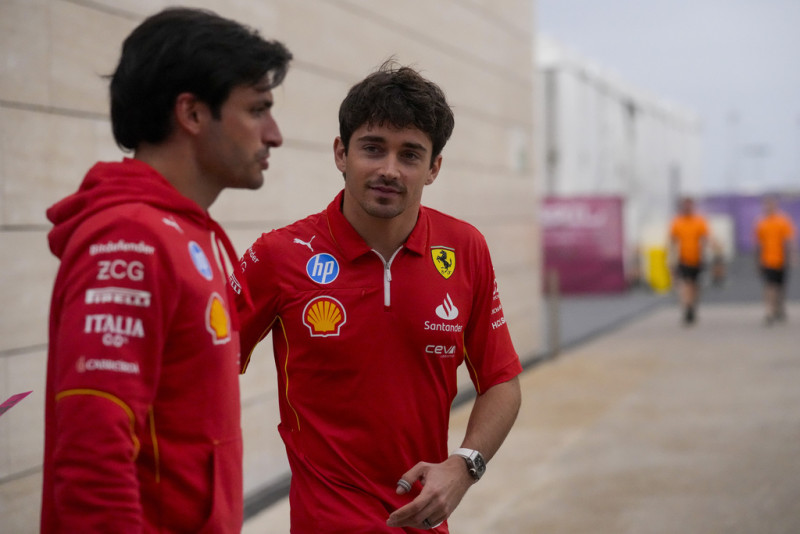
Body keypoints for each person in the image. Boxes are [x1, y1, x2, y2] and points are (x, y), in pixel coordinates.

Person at [231, 61, 523, 532]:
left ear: (433, 169)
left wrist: (465, 466)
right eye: (372, 148)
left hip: (423, 523)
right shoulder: (278, 255)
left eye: (410, 155)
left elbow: (501, 381)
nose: (389, 170)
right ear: (341, 153)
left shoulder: (465, 249)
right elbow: (201, 368)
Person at [41, 8, 291, 532]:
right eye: (258, 110)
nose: (274, 135)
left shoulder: (180, 232)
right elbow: (93, 457)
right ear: (193, 114)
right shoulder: (130, 240)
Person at [754, 195, 797, 324]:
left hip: (782, 259)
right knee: (770, 285)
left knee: (781, 286)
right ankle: (769, 311)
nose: (768, 208)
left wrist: (792, 256)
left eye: (770, 205)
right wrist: (757, 261)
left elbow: (789, 241)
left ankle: (779, 307)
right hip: (767, 260)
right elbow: (758, 245)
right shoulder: (761, 223)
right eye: (766, 205)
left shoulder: (783, 221)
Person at [669, 196, 711, 325]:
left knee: (695, 285)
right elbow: (672, 242)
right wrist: (672, 259)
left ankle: (693, 306)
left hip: (697, 258)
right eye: (685, 205)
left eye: (689, 205)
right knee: (686, 283)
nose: (687, 208)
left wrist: (706, 253)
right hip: (683, 258)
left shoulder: (699, 221)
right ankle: (687, 307)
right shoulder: (677, 222)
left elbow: (705, 238)